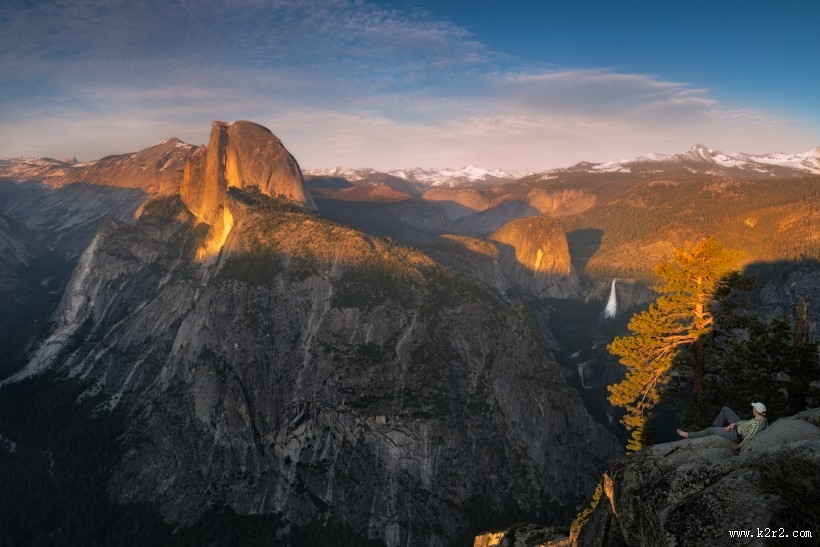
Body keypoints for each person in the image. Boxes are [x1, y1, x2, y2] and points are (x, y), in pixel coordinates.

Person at [677, 402, 768, 453]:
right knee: (725, 409)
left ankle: (688, 435)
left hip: (736, 434)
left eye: (753, 408)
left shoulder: (757, 425)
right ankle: (714, 428)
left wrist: (738, 446)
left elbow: (749, 437)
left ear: (755, 410)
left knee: (710, 430)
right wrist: (735, 424)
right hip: (738, 426)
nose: (752, 409)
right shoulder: (762, 419)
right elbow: (747, 423)